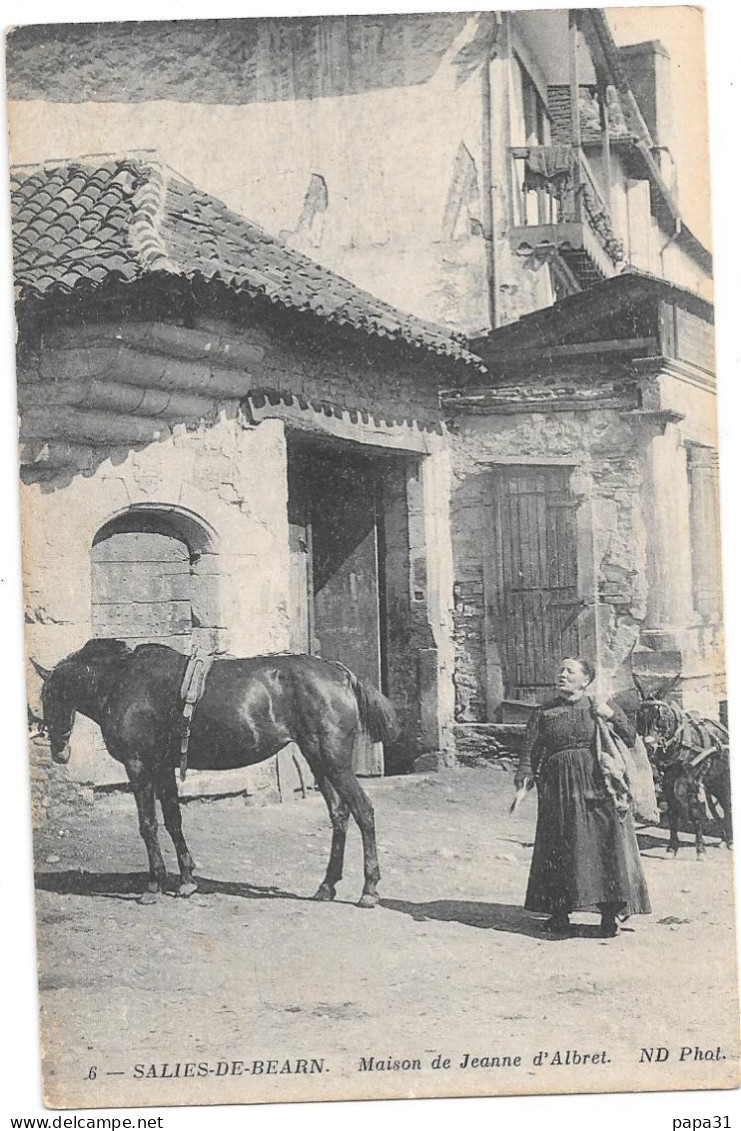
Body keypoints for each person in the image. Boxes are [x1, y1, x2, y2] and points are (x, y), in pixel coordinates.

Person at [514, 657, 651, 937]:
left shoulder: (598, 706)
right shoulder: (544, 712)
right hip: (557, 789)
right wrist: (523, 781)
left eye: (569, 671)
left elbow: (630, 736)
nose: (562, 675)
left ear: (585, 680)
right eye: (560, 670)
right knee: (559, 846)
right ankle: (559, 914)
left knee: (604, 846)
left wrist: (611, 715)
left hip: (597, 786)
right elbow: (529, 752)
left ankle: (609, 917)